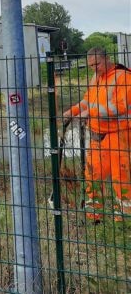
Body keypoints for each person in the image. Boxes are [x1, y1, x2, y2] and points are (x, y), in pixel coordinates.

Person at [63, 47, 131, 222]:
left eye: (97, 64)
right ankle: (94, 216)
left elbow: (120, 107)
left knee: (120, 177)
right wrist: (73, 111)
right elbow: (87, 100)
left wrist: (91, 112)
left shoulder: (123, 77)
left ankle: (123, 218)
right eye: (91, 65)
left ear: (106, 59)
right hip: (97, 135)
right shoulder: (95, 78)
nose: (94, 68)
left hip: (119, 135)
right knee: (92, 175)